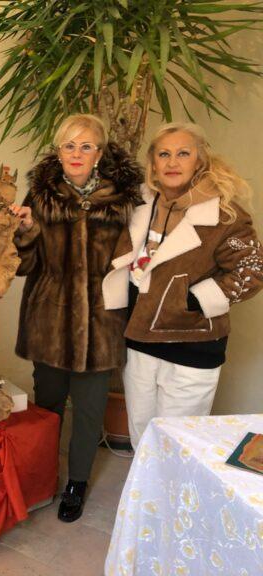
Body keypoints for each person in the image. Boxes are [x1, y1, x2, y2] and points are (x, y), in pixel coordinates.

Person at [11, 114, 142, 522]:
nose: (77, 154)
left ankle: (77, 482)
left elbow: (138, 262)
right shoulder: (40, 196)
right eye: (69, 145)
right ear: (58, 150)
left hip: (102, 322)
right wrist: (26, 231)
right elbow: (23, 265)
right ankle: (42, 476)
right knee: (48, 406)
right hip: (49, 318)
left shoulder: (125, 200)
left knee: (89, 409)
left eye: (86, 146)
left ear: (100, 153)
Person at [103, 123, 262, 447]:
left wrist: (194, 299)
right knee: (142, 436)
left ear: (199, 161)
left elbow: (252, 269)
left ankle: (173, 500)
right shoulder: (139, 206)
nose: (172, 162)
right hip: (139, 339)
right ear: (154, 163)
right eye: (164, 154)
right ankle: (145, 498)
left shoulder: (225, 215)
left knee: (179, 443)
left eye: (183, 153)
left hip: (192, 345)